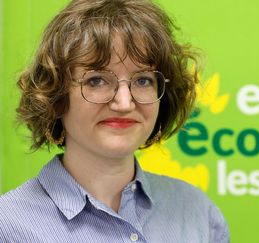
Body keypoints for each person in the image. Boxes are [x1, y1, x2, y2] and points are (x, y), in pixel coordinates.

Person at [0, 0, 229, 242]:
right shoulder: (9, 225)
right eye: (97, 80)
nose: (124, 103)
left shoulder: (198, 214)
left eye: (143, 80)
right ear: (56, 96)